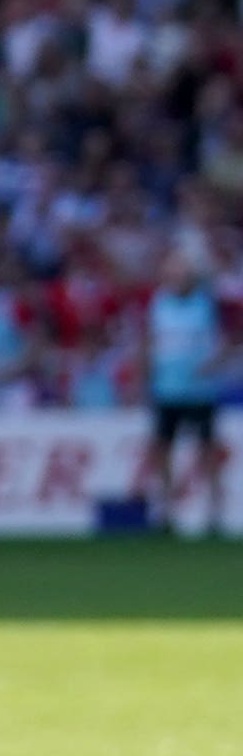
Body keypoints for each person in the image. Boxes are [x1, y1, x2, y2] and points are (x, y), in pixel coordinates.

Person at [141, 228, 226, 540]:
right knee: (163, 450)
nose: (175, 275)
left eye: (181, 270)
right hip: (167, 390)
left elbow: (228, 341)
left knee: (207, 451)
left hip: (200, 391)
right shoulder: (159, 303)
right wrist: (144, 378)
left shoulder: (206, 303)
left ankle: (214, 512)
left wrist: (212, 364)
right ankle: (165, 511)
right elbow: (150, 343)